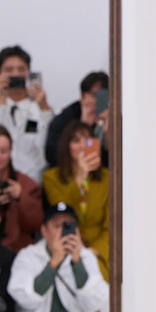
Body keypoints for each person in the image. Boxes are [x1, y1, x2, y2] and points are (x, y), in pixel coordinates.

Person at [42, 120, 109, 281]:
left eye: (87, 140)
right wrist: (80, 177)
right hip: (65, 245)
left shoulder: (107, 178)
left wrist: (94, 251)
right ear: (67, 146)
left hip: (98, 250)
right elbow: (63, 213)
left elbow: (111, 225)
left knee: (97, 278)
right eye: (76, 140)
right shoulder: (51, 178)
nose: (82, 146)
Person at [0, 45, 54, 185]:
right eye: (9, 70)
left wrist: (44, 107)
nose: (16, 74)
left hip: (32, 184)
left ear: (29, 72)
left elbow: (46, 147)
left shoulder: (40, 108)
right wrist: (1, 98)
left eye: (21, 69)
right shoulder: (1, 106)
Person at [45, 71, 109, 168]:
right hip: (68, 173)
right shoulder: (65, 118)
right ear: (82, 97)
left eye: (103, 96)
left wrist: (108, 137)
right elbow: (52, 156)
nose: (98, 101)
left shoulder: (115, 119)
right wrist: (85, 127)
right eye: (94, 95)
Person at [0, 124, 44, 252]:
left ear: (11, 151)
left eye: (3, 151)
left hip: (16, 250)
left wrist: (21, 197)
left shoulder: (26, 183)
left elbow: (36, 224)